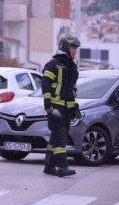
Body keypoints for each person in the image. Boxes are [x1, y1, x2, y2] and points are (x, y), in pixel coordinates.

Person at [41, 35, 80, 177]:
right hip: (55, 107)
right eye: (73, 48)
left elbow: (72, 83)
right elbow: (45, 84)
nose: (75, 51)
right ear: (65, 48)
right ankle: (62, 167)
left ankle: (49, 166)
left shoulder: (72, 66)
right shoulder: (53, 64)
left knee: (56, 138)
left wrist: (74, 91)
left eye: (76, 48)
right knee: (61, 137)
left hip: (67, 108)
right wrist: (48, 105)